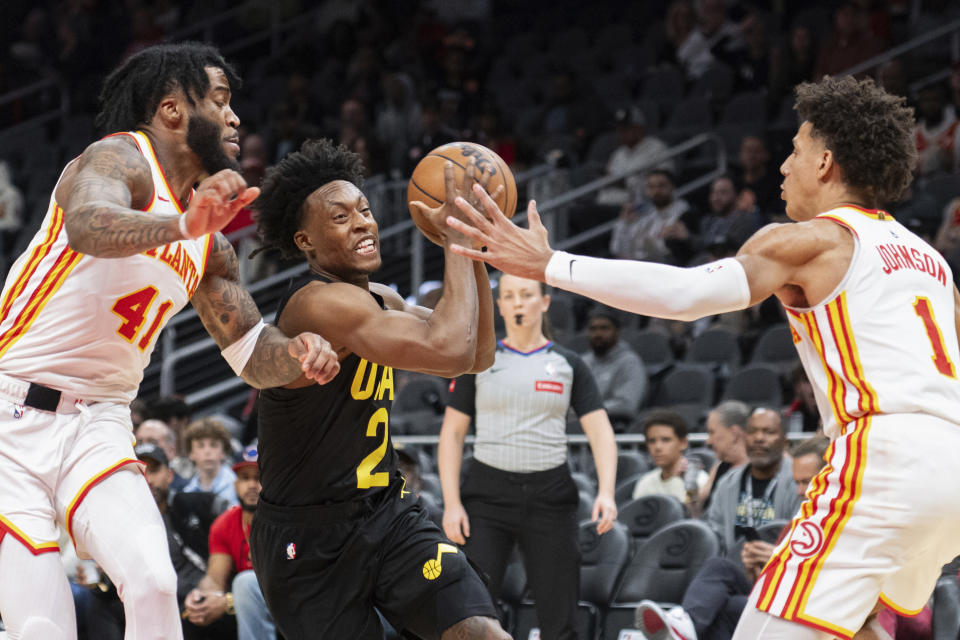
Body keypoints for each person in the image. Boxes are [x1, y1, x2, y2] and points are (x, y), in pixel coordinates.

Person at [447, 74, 960, 640]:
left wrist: (548, 264)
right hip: (950, 468)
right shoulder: (932, 262)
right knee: (855, 624)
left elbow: (686, 296)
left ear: (826, 163)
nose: (784, 167)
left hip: (882, 457)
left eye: (795, 151)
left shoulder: (810, 241)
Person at [0, 42, 339, 640]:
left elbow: (251, 352)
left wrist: (297, 354)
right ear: (172, 109)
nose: (235, 118)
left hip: (100, 423)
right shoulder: (119, 159)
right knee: (38, 628)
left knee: (156, 585)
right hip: (9, 414)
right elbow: (87, 224)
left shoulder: (213, 247)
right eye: (221, 100)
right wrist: (181, 224)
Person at [249, 138, 510, 640]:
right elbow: (450, 350)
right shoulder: (316, 304)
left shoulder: (380, 298)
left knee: (481, 632)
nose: (363, 223)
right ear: (305, 241)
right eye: (341, 217)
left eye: (364, 210)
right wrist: (454, 234)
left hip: (387, 514)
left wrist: (469, 248)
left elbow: (477, 353)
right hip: (309, 539)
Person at [439, 273, 619, 639]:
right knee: (474, 611)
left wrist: (607, 492)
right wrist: (451, 503)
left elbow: (600, 432)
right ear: (500, 306)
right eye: (509, 296)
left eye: (526, 294)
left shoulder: (570, 365)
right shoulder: (479, 363)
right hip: (487, 496)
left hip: (550, 495)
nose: (518, 302)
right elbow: (452, 434)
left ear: (545, 302)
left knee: (560, 614)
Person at [636, 435, 830, 640]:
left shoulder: (845, 523)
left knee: (731, 607)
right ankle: (687, 624)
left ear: (831, 476)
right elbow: (767, 584)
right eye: (797, 483)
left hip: (814, 604)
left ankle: (685, 627)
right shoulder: (798, 522)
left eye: (807, 482)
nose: (800, 491)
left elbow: (825, 578)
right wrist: (757, 567)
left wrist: (780, 560)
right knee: (719, 568)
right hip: (783, 594)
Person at [184, 445, 274, 640]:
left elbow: (283, 582)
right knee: (196, 611)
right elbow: (215, 577)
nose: (252, 485)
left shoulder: (284, 522)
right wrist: (203, 596)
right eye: (245, 478)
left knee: (245, 583)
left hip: (290, 601)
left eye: (258, 477)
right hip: (251, 607)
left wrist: (228, 601)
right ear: (235, 485)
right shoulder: (225, 523)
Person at [579, 309, 646, 430]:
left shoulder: (630, 362)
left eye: (604, 328)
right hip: (582, 425)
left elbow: (627, 405)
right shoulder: (583, 361)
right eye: (593, 329)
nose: (598, 334)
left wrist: (587, 409)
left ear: (617, 331)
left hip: (614, 427)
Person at [631, 410, 707, 507]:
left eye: (666, 440)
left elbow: (695, 517)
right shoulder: (644, 483)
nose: (658, 447)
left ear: (683, 443)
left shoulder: (699, 480)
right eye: (652, 441)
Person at [699, 400, 750, 511]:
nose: (708, 441)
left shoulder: (763, 470)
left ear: (734, 433)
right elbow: (701, 512)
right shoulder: (721, 466)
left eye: (712, 432)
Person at [181, 418, 239, 507]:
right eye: (200, 446)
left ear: (223, 452)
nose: (207, 451)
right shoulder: (187, 492)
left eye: (214, 445)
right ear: (191, 454)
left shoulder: (238, 486)